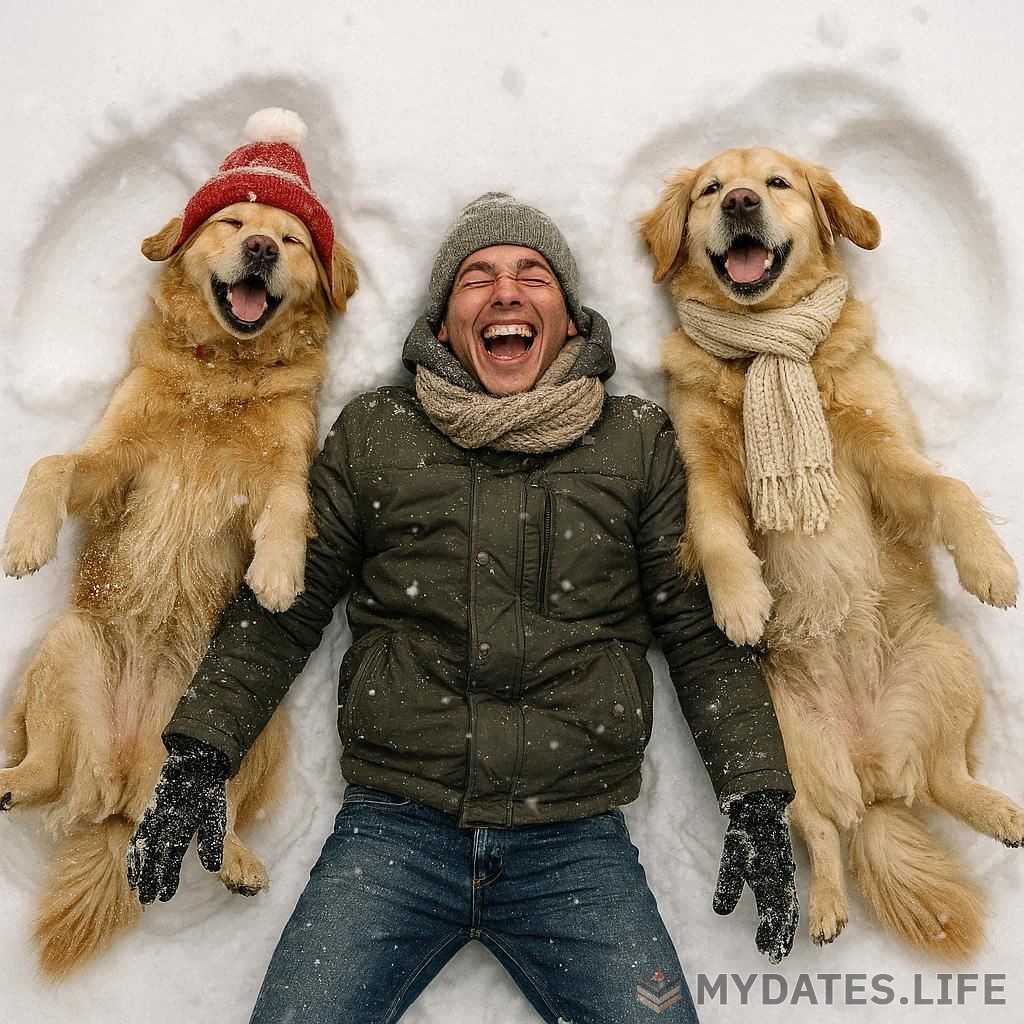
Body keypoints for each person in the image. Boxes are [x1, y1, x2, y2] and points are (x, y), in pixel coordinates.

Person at [127, 192, 799, 1024]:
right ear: (445, 326)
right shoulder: (379, 431)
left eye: (533, 275)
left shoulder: (637, 442)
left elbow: (700, 636)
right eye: (477, 278)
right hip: (394, 834)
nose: (506, 291)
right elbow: (284, 608)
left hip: (575, 847)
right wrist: (200, 751)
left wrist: (757, 791)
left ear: (571, 317)